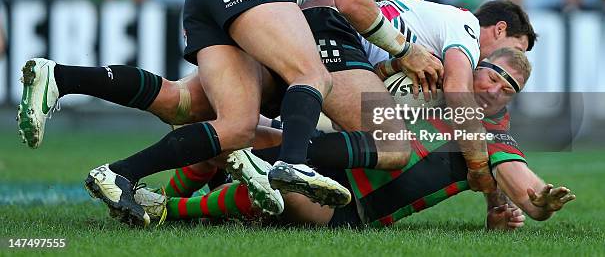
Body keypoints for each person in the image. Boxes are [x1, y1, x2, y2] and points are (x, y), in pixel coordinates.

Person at [19, 0, 444, 208]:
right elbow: (352, 4)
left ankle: (85, 118)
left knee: (213, 117)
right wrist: (407, 51)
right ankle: (293, 164)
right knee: (312, 75)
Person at [132, 48, 575, 229]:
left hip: (351, 204)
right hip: (338, 155)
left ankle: (167, 211)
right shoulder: (433, 83)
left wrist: (541, 200)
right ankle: (157, 195)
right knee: (237, 134)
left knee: (280, 192)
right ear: (475, 68)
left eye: (508, 89)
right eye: (493, 75)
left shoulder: (494, 138)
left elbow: (525, 189)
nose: (495, 89)